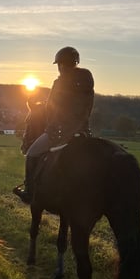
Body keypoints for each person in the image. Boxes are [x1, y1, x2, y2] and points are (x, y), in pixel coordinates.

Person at [13, 46, 94, 203]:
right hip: (83, 131)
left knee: (31, 153)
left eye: (59, 65)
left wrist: (51, 123)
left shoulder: (60, 82)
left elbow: (51, 108)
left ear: (61, 65)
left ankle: (29, 191)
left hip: (60, 132)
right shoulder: (87, 78)